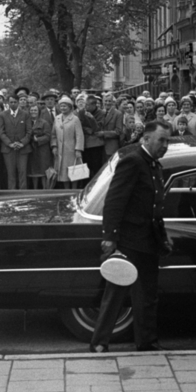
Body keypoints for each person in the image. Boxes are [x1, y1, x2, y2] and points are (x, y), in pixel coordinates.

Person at [89, 120, 174, 353]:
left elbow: (155, 208)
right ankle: (99, 342)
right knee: (115, 293)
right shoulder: (133, 161)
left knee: (147, 294)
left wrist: (163, 236)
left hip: (148, 240)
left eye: (167, 141)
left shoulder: (154, 165)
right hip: (128, 241)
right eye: (161, 140)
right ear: (146, 139)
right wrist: (110, 237)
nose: (165, 145)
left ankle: (147, 342)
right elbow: (114, 201)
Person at [0, 93, 33, 190]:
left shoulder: (25, 114)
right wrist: (10, 143)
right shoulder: (2, 115)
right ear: (8, 103)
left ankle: (23, 193)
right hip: (8, 149)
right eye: (11, 102)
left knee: (22, 172)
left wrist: (22, 143)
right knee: (10, 173)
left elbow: (29, 131)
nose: (13, 104)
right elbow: (1, 132)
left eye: (15, 102)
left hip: (23, 148)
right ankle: (12, 193)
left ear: (18, 102)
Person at [52, 96, 86, 188]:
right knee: (63, 172)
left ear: (70, 107)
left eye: (65, 106)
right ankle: (66, 190)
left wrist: (78, 150)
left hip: (71, 150)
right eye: (61, 106)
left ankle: (74, 190)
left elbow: (79, 135)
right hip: (60, 150)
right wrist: (54, 146)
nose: (62, 108)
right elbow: (53, 134)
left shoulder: (75, 119)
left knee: (73, 171)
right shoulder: (57, 118)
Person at [27, 100, 55, 189]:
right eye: (32, 110)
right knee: (33, 172)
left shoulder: (44, 122)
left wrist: (38, 139)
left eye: (35, 110)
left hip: (42, 150)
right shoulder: (27, 122)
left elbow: (48, 136)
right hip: (31, 150)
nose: (33, 112)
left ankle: (45, 189)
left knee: (43, 171)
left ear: (38, 111)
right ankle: (35, 190)